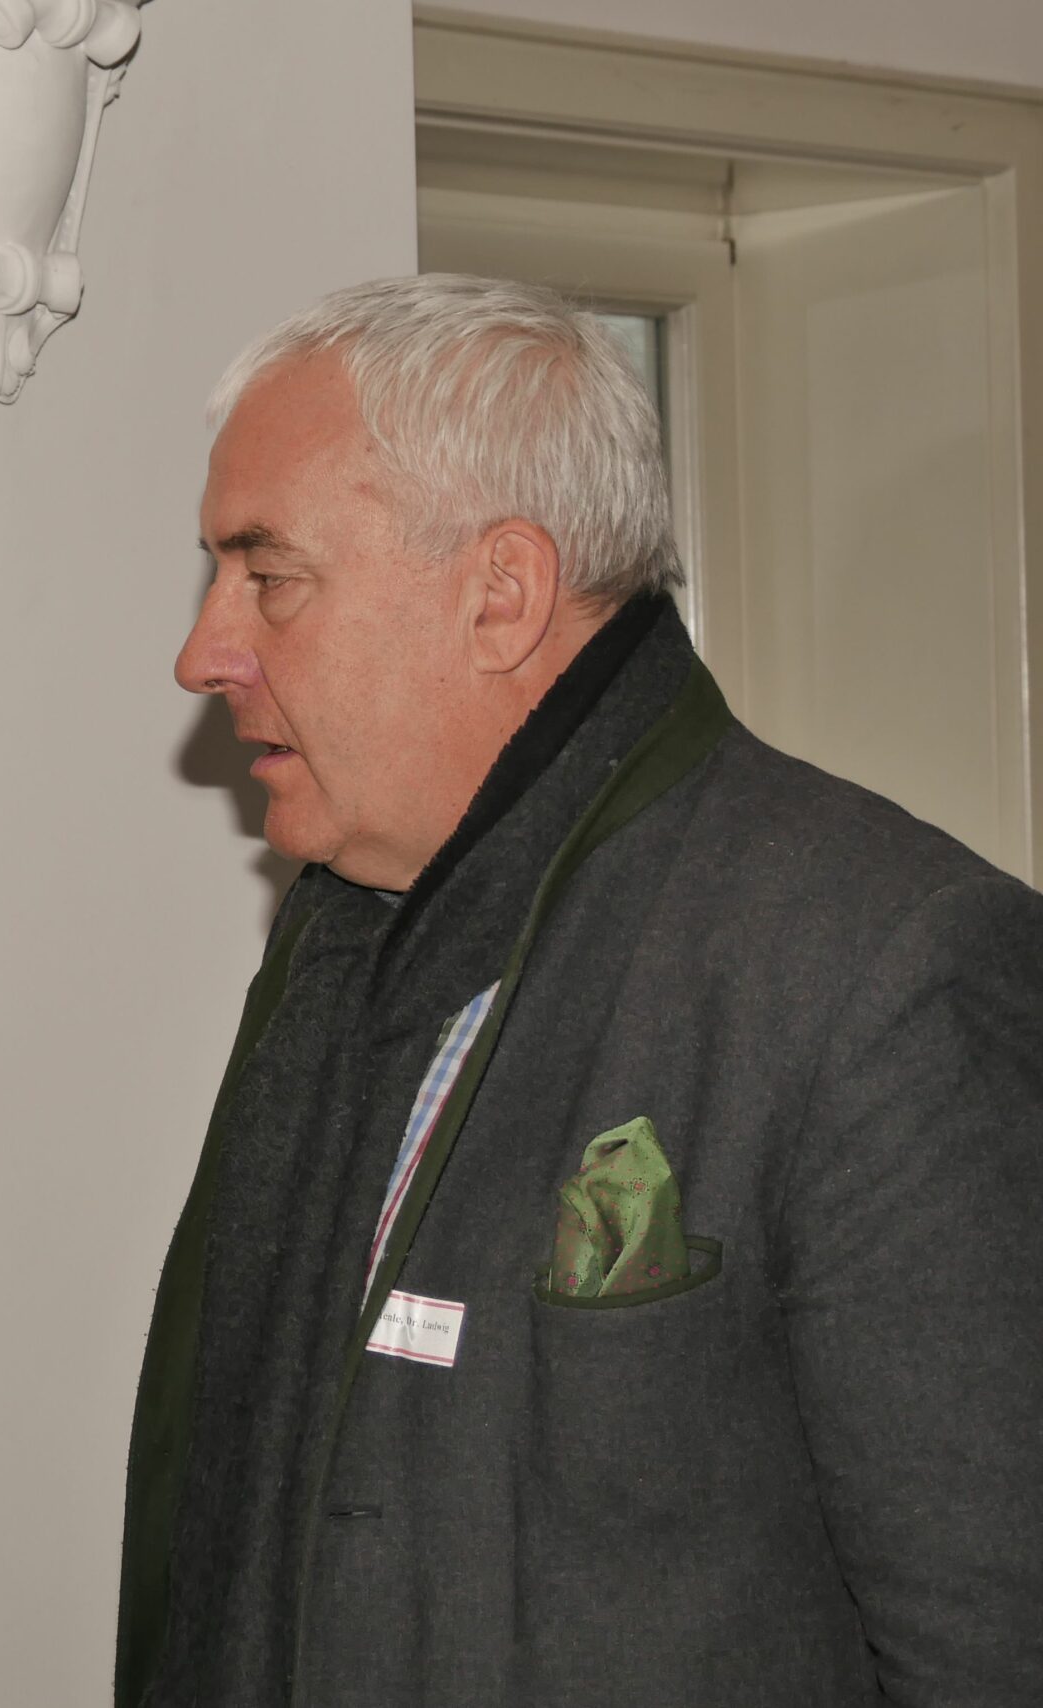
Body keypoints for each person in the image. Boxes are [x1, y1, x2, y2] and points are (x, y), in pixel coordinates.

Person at [118, 274, 1043, 1707]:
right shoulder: (339, 944)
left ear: (502, 593)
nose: (203, 654)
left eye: (268, 576)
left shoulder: (881, 967)